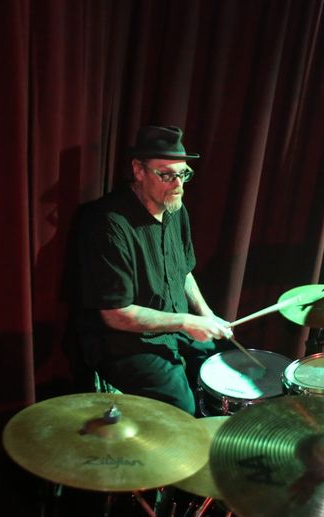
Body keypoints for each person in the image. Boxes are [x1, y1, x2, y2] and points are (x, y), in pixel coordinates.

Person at [76, 125, 232, 415]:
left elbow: (183, 271)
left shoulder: (175, 208)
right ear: (138, 170)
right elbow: (115, 314)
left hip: (174, 329)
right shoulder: (108, 224)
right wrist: (185, 321)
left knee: (229, 369)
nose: (178, 185)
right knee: (180, 407)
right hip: (123, 342)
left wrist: (207, 315)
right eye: (167, 175)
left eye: (183, 174)